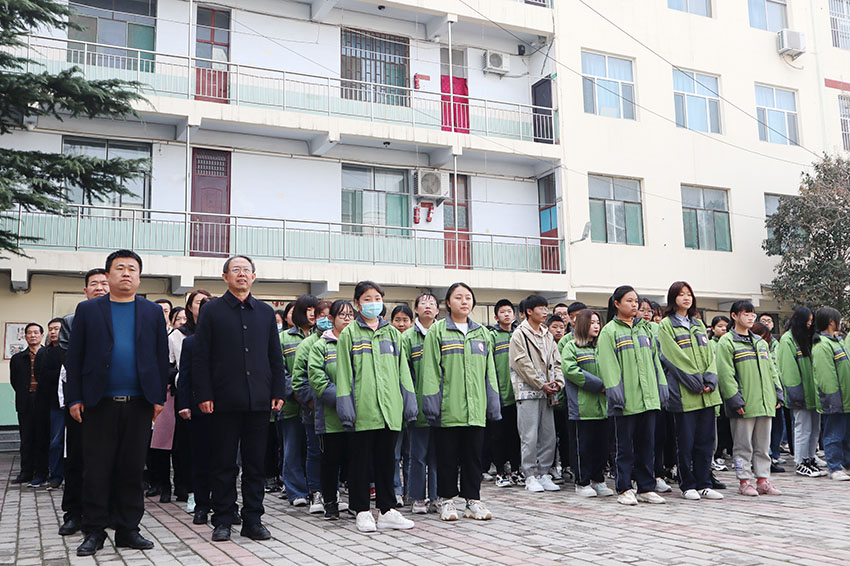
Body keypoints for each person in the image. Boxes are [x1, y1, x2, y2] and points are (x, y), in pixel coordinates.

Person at [65, 249, 170, 556]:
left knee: (132, 468)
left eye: (132, 269)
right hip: (98, 403)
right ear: (108, 275)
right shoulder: (89, 310)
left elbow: (160, 357)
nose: (126, 273)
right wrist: (75, 397)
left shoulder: (151, 312)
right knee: (96, 469)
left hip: (139, 403)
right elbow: (75, 358)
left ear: (139, 276)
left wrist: (158, 397)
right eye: (120, 268)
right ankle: (94, 530)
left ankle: (128, 529)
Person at [193, 255, 285, 542]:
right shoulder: (212, 311)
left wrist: (278, 391)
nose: (242, 274)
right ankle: (222, 519)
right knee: (223, 464)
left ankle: (253, 519)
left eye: (247, 270)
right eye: (236, 270)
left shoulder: (266, 312)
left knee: (256, 464)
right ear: (225, 277)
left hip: (259, 400)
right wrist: (204, 393)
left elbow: (274, 355)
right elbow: (201, 357)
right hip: (223, 400)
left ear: (254, 277)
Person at [335, 281, 417, 532]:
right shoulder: (350, 334)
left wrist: (408, 402)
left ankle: (387, 509)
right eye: (367, 299)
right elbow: (344, 374)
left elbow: (403, 371)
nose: (373, 303)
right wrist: (347, 407)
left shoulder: (393, 333)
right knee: (359, 463)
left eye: (377, 298)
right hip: (363, 409)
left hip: (389, 409)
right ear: (358, 304)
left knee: (387, 461)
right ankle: (361, 510)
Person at [421, 282, 501, 522]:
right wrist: (432, 404)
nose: (464, 301)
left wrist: (493, 404)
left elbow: (490, 373)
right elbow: (430, 372)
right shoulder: (437, 331)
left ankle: (472, 500)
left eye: (468, 297)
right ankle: (446, 501)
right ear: (448, 303)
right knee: (447, 458)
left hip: (475, 409)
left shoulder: (482, 333)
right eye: (458, 297)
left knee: (473, 457)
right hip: (448, 408)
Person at [597, 285, 668, 506]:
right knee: (624, 447)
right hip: (625, 401)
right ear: (616, 303)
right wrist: (616, 392)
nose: (634, 304)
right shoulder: (609, 331)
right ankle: (624, 487)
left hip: (648, 399)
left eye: (636, 301)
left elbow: (656, 360)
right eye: (629, 300)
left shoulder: (645, 329)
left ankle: (646, 487)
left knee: (647, 445)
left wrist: (662, 387)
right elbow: (608, 365)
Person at [656, 282, 723, 501]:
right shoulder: (666, 325)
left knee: (705, 441)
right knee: (685, 442)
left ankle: (704, 482)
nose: (686, 298)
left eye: (689, 294)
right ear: (672, 298)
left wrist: (710, 378)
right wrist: (695, 381)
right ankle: (688, 484)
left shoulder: (697, 323)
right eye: (681, 294)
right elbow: (672, 356)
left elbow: (709, 355)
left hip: (706, 394)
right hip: (684, 394)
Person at [57, 268, 109, 537]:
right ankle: (73, 514)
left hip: (112, 401)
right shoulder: (71, 320)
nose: (100, 287)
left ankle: (105, 512)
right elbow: (71, 359)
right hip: (80, 399)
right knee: (77, 458)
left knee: (109, 460)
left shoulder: (122, 317)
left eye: (104, 283)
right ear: (85, 290)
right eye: (94, 284)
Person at [715, 300, 784, 497]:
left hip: (765, 402)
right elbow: (725, 373)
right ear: (734, 316)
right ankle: (744, 481)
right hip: (744, 403)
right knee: (743, 445)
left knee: (763, 445)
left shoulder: (761, 342)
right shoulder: (727, 341)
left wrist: (777, 392)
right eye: (745, 313)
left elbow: (772, 371)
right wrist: (734, 399)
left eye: (752, 313)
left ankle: (763, 480)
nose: (750, 317)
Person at [509, 295, 564, 493]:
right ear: (529, 311)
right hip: (528, 392)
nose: (545, 312)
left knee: (548, 435)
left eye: (546, 308)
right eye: (540, 308)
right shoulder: (519, 334)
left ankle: (544, 472)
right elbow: (521, 363)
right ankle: (530, 475)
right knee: (529, 435)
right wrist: (541, 383)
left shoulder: (547, 334)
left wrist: (558, 382)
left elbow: (557, 361)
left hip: (547, 392)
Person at [307, 299, 355, 520]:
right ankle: (330, 503)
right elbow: (318, 380)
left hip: (358, 414)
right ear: (332, 318)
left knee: (355, 460)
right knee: (330, 461)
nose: (346, 319)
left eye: (350, 315)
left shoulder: (359, 343)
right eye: (342, 315)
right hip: (330, 416)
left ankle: (357, 502)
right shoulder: (321, 346)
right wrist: (343, 399)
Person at [561, 309, 613, 498]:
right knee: (582, 446)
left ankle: (598, 480)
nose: (596, 326)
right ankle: (582, 482)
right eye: (592, 323)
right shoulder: (571, 347)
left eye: (598, 322)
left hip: (603, 407)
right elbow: (571, 370)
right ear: (582, 324)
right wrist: (599, 386)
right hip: (582, 407)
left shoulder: (603, 347)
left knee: (601, 446)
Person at [172, 289, 213, 516]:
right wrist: (184, 404)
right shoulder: (190, 342)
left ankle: (224, 501)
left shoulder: (229, 340)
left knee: (224, 459)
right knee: (198, 456)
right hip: (197, 408)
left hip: (225, 408)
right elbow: (184, 376)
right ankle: (198, 501)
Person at [291, 299, 332, 514]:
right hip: (314, 410)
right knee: (315, 451)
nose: (326, 319)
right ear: (314, 318)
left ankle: (331, 493)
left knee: (335, 454)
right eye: (321, 315)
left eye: (329, 315)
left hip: (339, 410)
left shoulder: (344, 339)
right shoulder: (308, 344)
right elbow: (298, 380)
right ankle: (315, 491)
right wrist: (311, 401)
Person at [278, 294, 318, 508]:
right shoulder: (284, 338)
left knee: (314, 450)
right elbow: (279, 370)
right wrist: (295, 392)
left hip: (316, 405)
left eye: (315, 309)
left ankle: (314, 488)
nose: (312, 313)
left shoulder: (322, 336)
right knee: (292, 448)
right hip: (292, 405)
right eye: (308, 309)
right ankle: (295, 491)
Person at [402, 292, 440, 513]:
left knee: (438, 455)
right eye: (423, 304)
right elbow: (404, 374)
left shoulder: (442, 333)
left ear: (437, 310)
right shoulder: (407, 338)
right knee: (417, 454)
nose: (428, 307)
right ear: (415, 309)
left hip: (440, 405)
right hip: (417, 405)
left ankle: (435, 495)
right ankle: (417, 497)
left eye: (432, 304)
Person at [777, 307, 825, 478]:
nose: (809, 324)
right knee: (802, 428)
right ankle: (800, 461)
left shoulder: (808, 338)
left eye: (812, 321)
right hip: (800, 394)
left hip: (813, 394)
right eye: (808, 320)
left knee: (815, 428)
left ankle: (810, 457)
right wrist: (796, 394)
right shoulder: (788, 340)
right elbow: (788, 371)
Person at [811, 307, 850, 481]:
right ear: (831, 322)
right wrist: (832, 399)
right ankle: (834, 467)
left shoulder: (837, 342)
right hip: (836, 399)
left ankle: (846, 463)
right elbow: (826, 376)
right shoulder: (822, 345)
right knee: (834, 433)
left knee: (846, 434)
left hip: (846, 398)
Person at [489, 299, 522, 488]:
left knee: (515, 435)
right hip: (500, 396)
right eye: (502, 312)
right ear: (496, 316)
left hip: (518, 395)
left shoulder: (518, 335)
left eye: (509, 311)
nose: (507, 315)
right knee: (498, 436)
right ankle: (501, 472)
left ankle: (516, 470)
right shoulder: (492, 336)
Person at [10, 323, 46, 486]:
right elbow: (14, 381)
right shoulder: (18, 358)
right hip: (25, 401)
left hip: (43, 401)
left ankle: (42, 471)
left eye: (35, 332)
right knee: (26, 439)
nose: (32, 335)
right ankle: (26, 472)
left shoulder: (48, 355)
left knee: (42, 437)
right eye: (29, 333)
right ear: (25, 336)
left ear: (41, 335)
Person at [34, 318, 65, 490]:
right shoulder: (44, 352)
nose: (53, 332)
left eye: (57, 329)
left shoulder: (72, 350)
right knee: (55, 441)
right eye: (50, 329)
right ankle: (56, 475)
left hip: (73, 401)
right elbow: (40, 376)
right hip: (53, 403)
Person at [752, 322, 786, 474]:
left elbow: (773, 372)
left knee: (774, 428)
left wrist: (778, 394)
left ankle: (771, 457)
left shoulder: (770, 348)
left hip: (770, 395)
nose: (763, 341)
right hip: (753, 398)